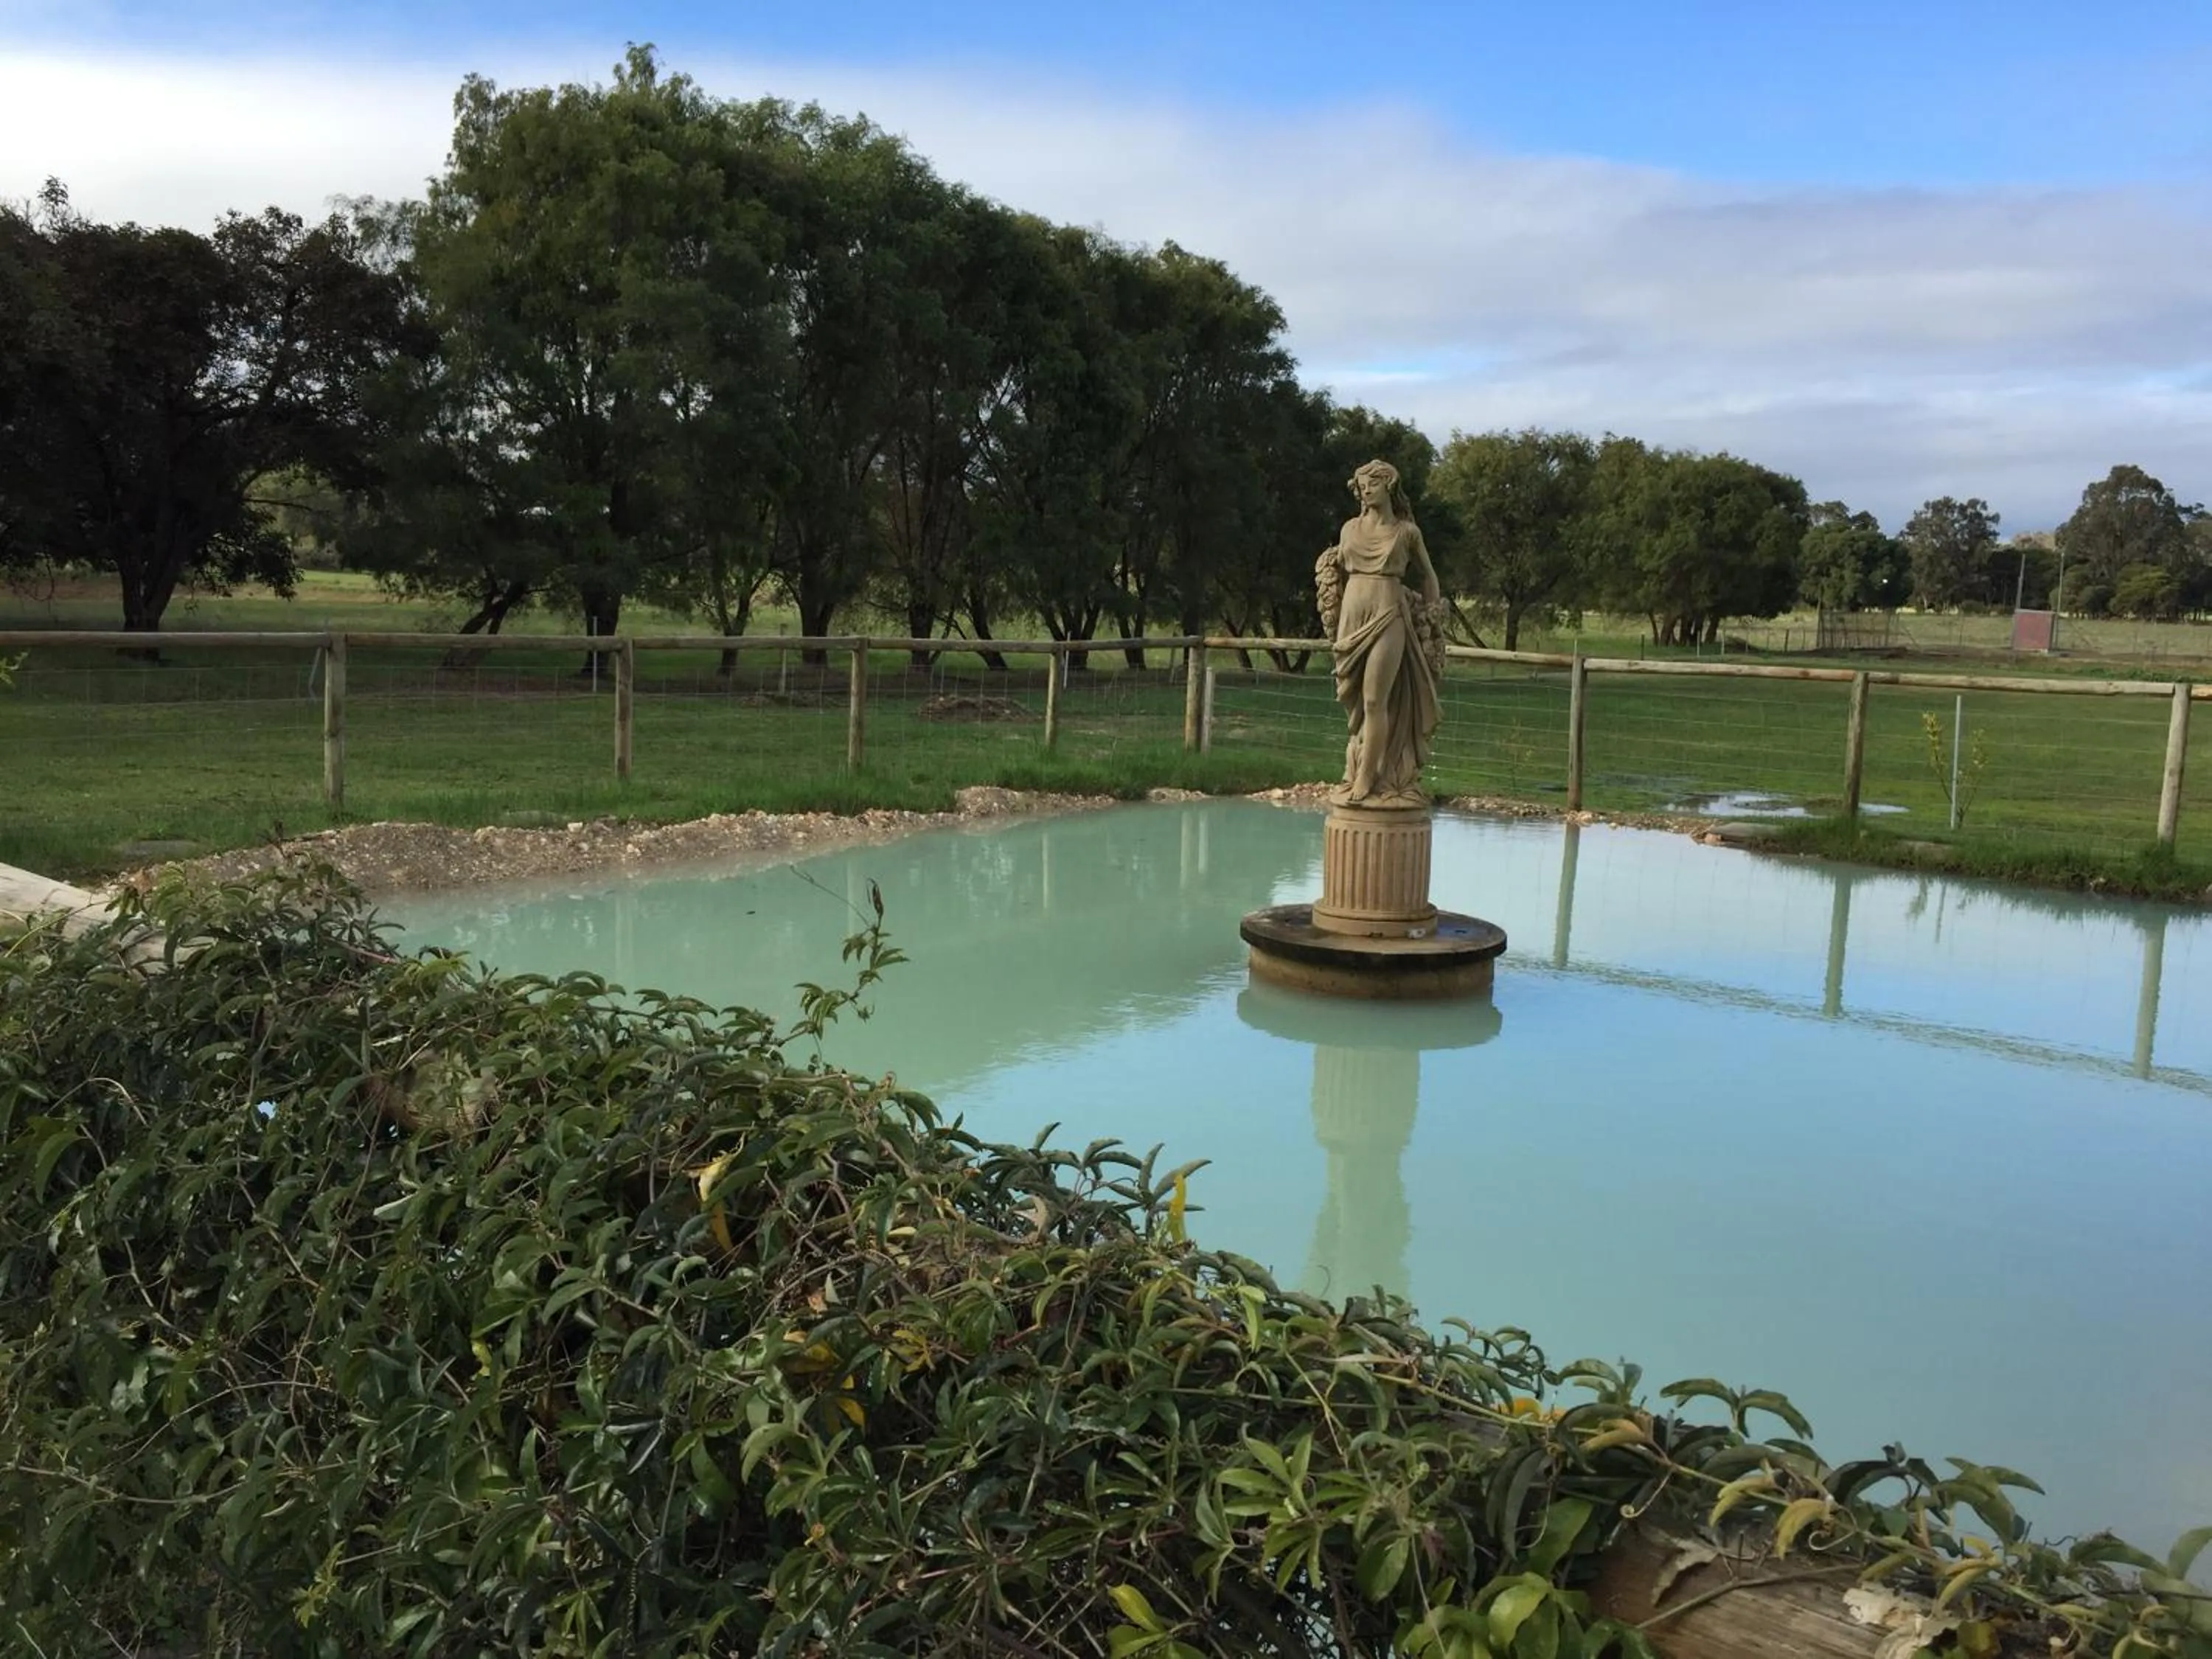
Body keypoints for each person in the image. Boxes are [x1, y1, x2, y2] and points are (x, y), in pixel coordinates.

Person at [1315, 459, 1445, 807]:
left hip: (1388, 615)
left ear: (1389, 485)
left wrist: (1431, 619)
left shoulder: (1406, 533)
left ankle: (1368, 777)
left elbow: (1429, 576)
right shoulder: (1349, 530)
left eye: (1372, 483)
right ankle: (1359, 765)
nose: (1365, 490)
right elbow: (1337, 569)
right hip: (1352, 619)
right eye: (1361, 485)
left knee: (1375, 700)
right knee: (1353, 699)